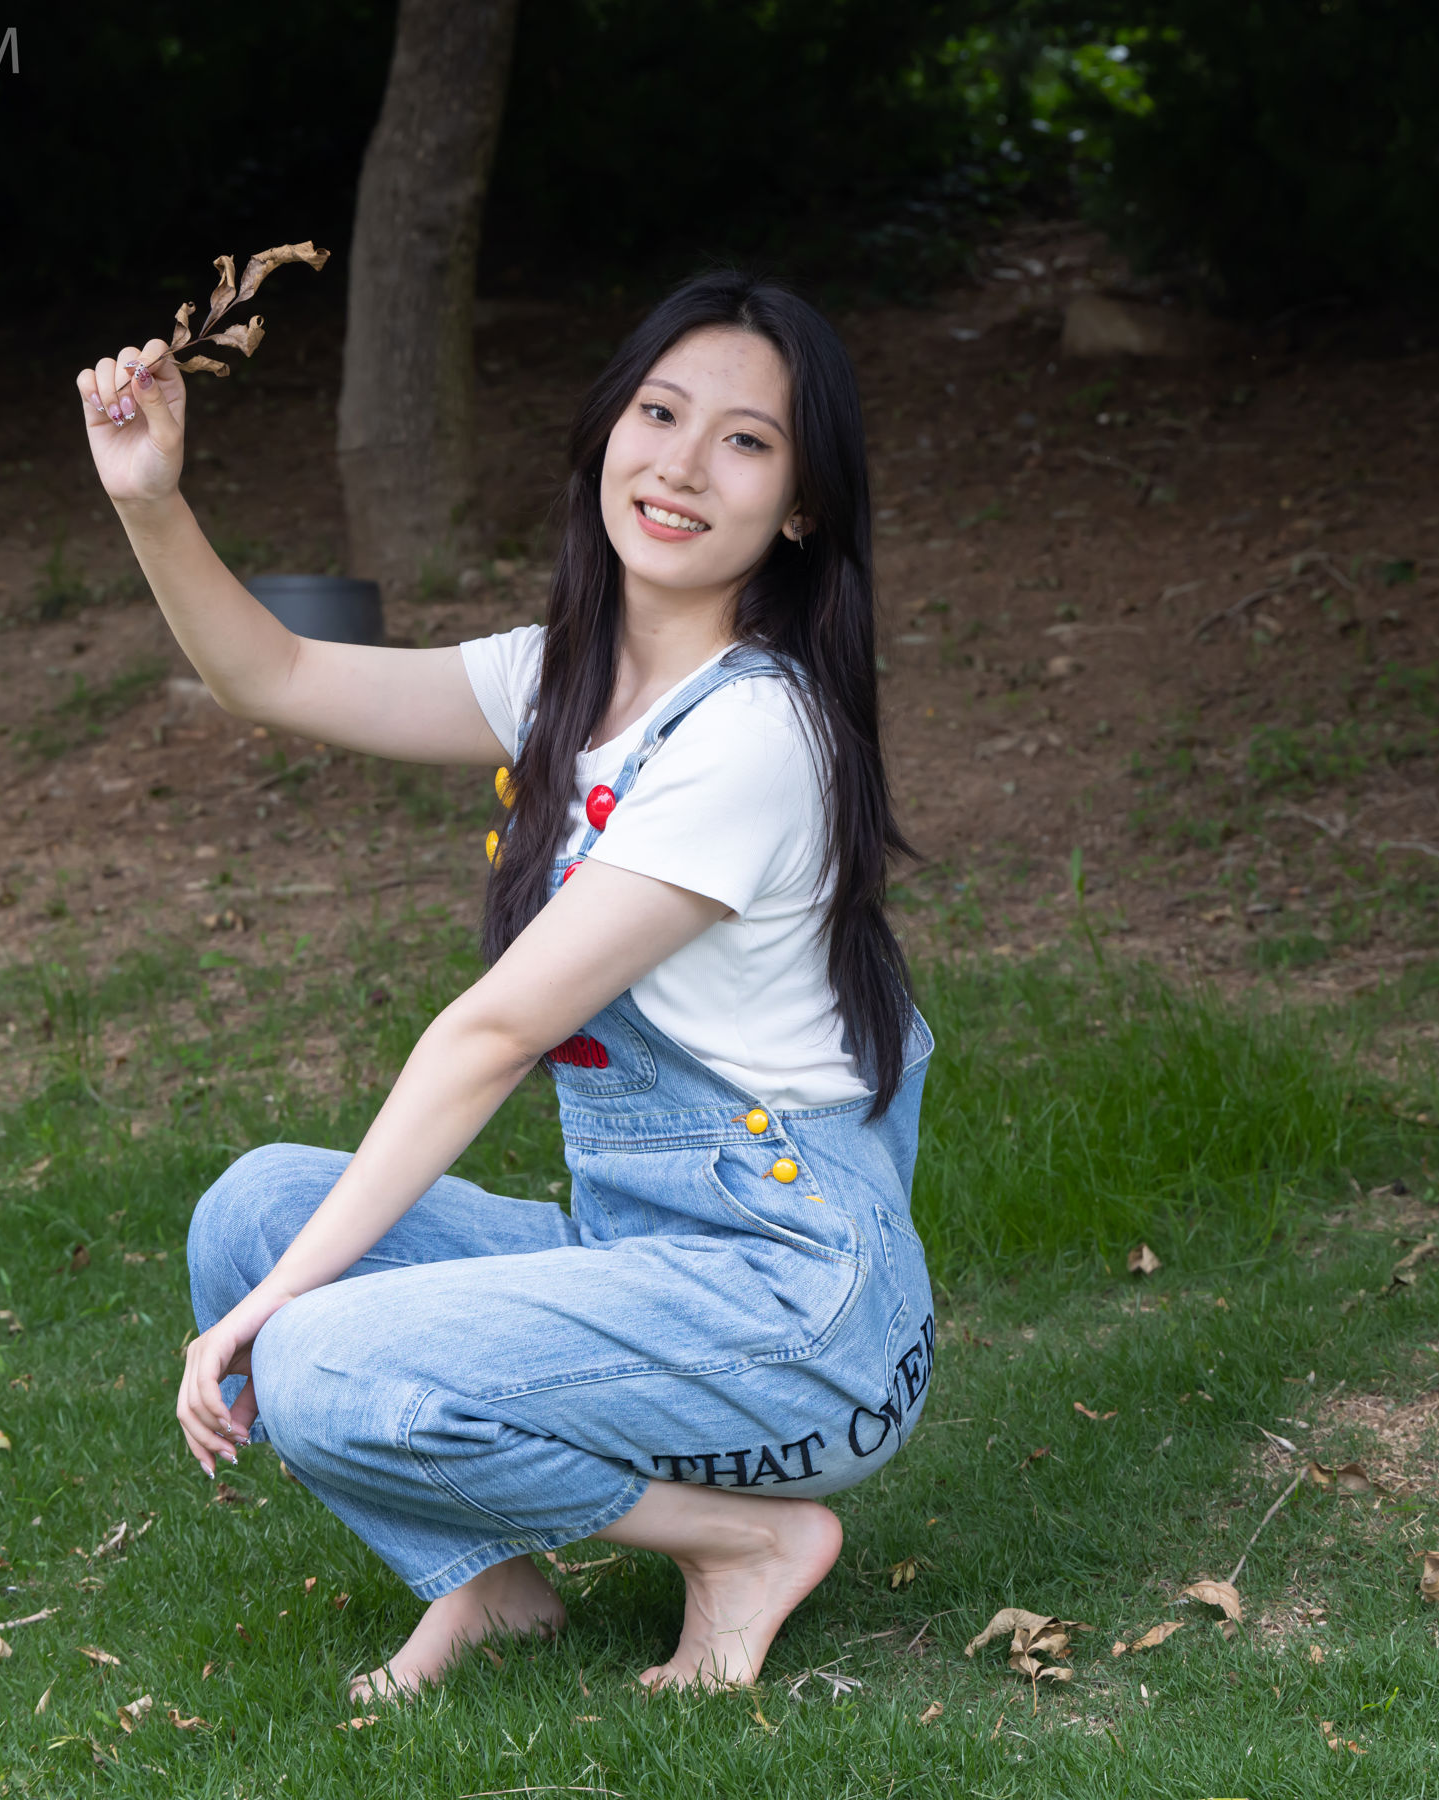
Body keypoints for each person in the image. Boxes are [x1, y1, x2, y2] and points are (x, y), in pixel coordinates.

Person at [73, 271, 936, 1701]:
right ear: (607, 431)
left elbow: (491, 1034)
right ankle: (490, 1586)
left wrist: (265, 1318)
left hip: (797, 1312)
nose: (680, 463)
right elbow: (273, 675)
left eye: (744, 441)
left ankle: (743, 1541)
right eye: (658, 414)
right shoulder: (563, 679)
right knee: (254, 1215)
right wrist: (149, 500)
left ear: (800, 506)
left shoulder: (753, 736)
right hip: (642, 1254)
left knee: (317, 1358)